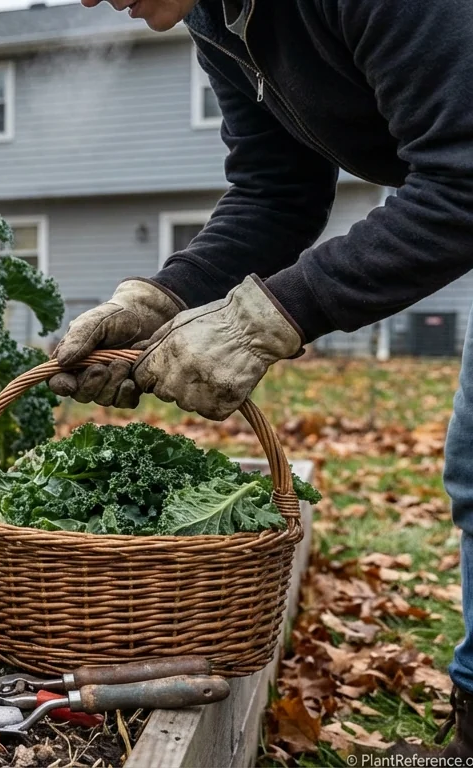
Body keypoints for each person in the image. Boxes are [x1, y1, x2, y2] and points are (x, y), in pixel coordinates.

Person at [57, 0, 473, 755]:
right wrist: (160, 299)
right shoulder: (215, 12)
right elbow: (277, 187)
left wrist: (266, 318)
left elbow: (465, 178)